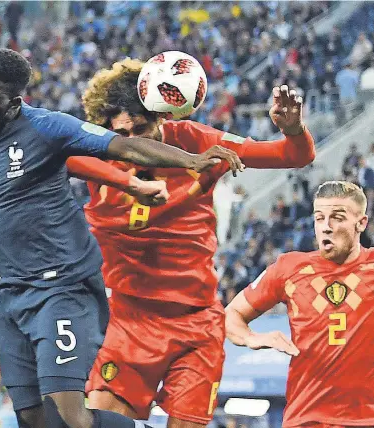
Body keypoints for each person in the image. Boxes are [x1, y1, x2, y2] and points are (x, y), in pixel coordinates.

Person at [0, 49, 244, 428]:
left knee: (70, 417)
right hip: (13, 294)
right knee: (31, 417)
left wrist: (189, 160)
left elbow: (122, 145)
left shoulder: (48, 127)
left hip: (61, 288)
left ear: (13, 105)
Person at [63, 58, 316, 427]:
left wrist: (293, 130)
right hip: (128, 319)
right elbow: (51, 157)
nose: (133, 140)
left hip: (196, 324)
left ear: (162, 115)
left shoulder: (200, 143)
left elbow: (295, 155)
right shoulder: (95, 150)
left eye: (142, 127)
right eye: (123, 133)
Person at [225, 181, 374, 427]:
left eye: (337, 218)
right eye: (319, 218)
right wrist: (252, 338)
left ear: (361, 223)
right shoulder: (289, 268)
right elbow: (232, 315)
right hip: (306, 418)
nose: (326, 227)